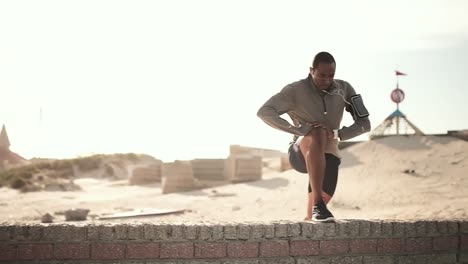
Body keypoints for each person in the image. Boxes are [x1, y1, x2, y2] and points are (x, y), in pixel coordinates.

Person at [257, 51, 371, 222]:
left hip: (329, 148)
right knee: (316, 132)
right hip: (300, 151)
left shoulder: (344, 89)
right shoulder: (295, 90)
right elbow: (264, 112)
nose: (327, 80)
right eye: (322, 75)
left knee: (320, 209)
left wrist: (338, 133)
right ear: (311, 70)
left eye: (331, 75)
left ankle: (312, 216)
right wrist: (300, 130)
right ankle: (318, 206)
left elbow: (364, 123)